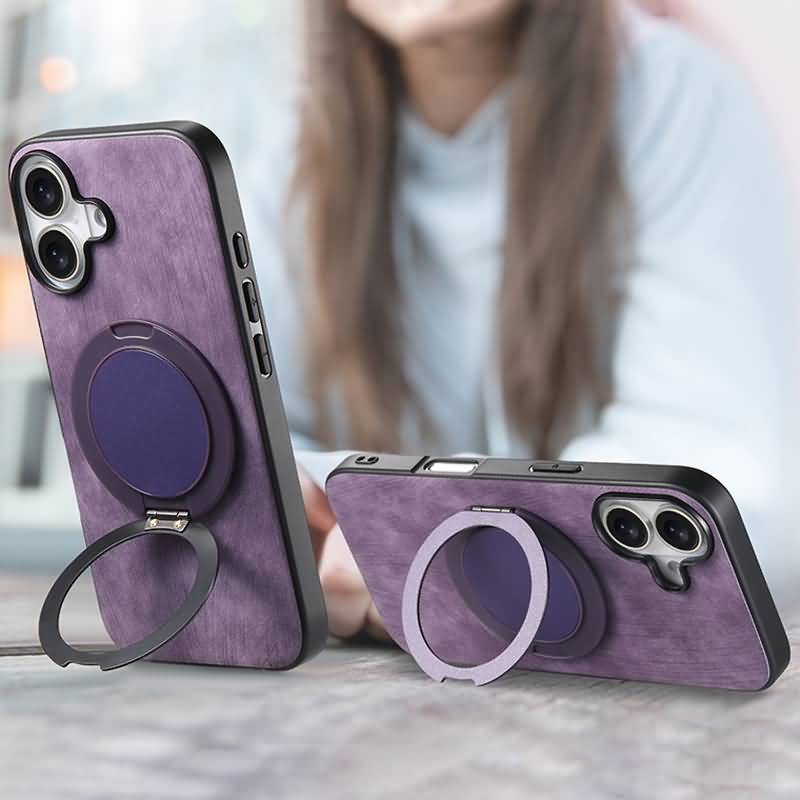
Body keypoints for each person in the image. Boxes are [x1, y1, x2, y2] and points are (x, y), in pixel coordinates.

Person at [242, 0, 795, 639]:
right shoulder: (292, 141)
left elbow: (714, 483)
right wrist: (325, 509)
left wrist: (430, 528)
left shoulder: (676, 95)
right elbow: (258, 434)